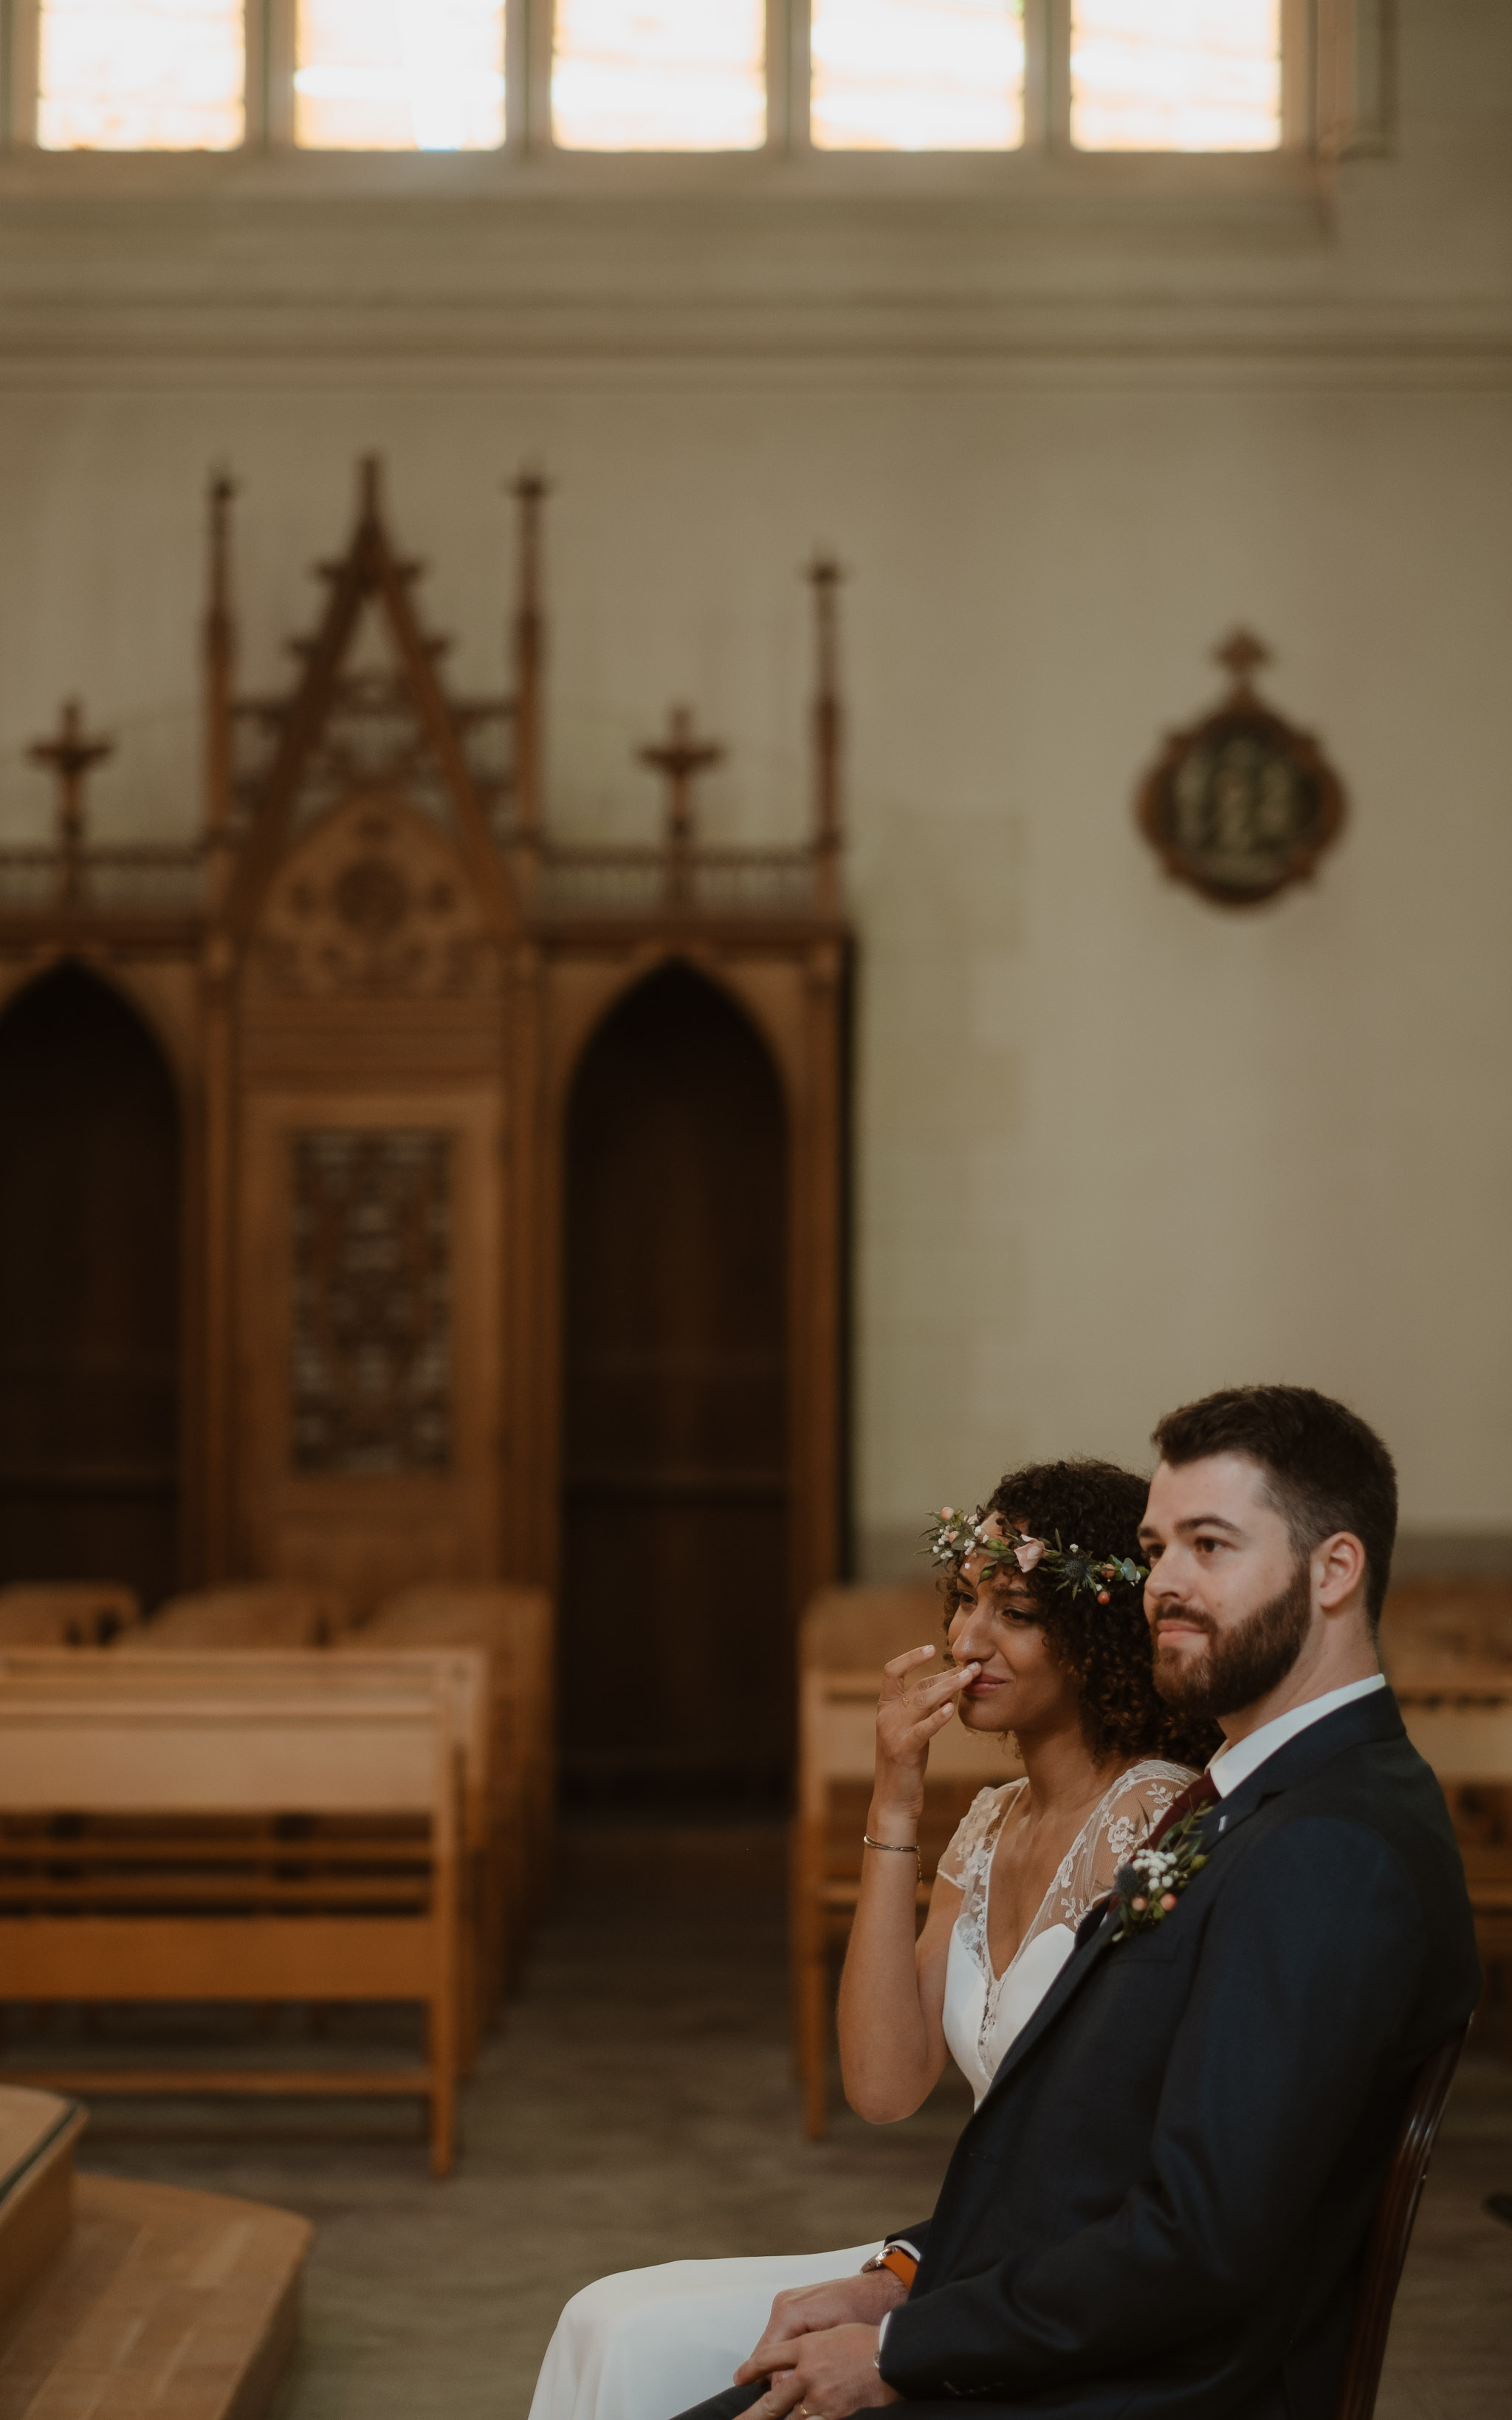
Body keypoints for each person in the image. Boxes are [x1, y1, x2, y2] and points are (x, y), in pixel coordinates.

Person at [695, 1384, 1480, 2420]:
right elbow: (1088, 2159)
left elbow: (1198, 2241)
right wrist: (897, 2275)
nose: (1166, 1584)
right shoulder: (1262, 1802)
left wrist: (903, 2347)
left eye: (1210, 1545)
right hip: (1055, 2331)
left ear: (1335, 1568)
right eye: (1157, 1549)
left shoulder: (1327, 1847)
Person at [528, 1458, 1215, 2420]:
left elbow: (1111, 2155)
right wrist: (895, 1794)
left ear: (1095, 1631)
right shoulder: (990, 1821)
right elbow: (885, 2085)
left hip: (1045, 2294)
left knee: (641, 2339)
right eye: (963, 1600)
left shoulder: (1147, 1812)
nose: (964, 1640)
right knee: (602, 2318)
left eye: (1013, 1612)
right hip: (966, 2253)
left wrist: (904, 2284)